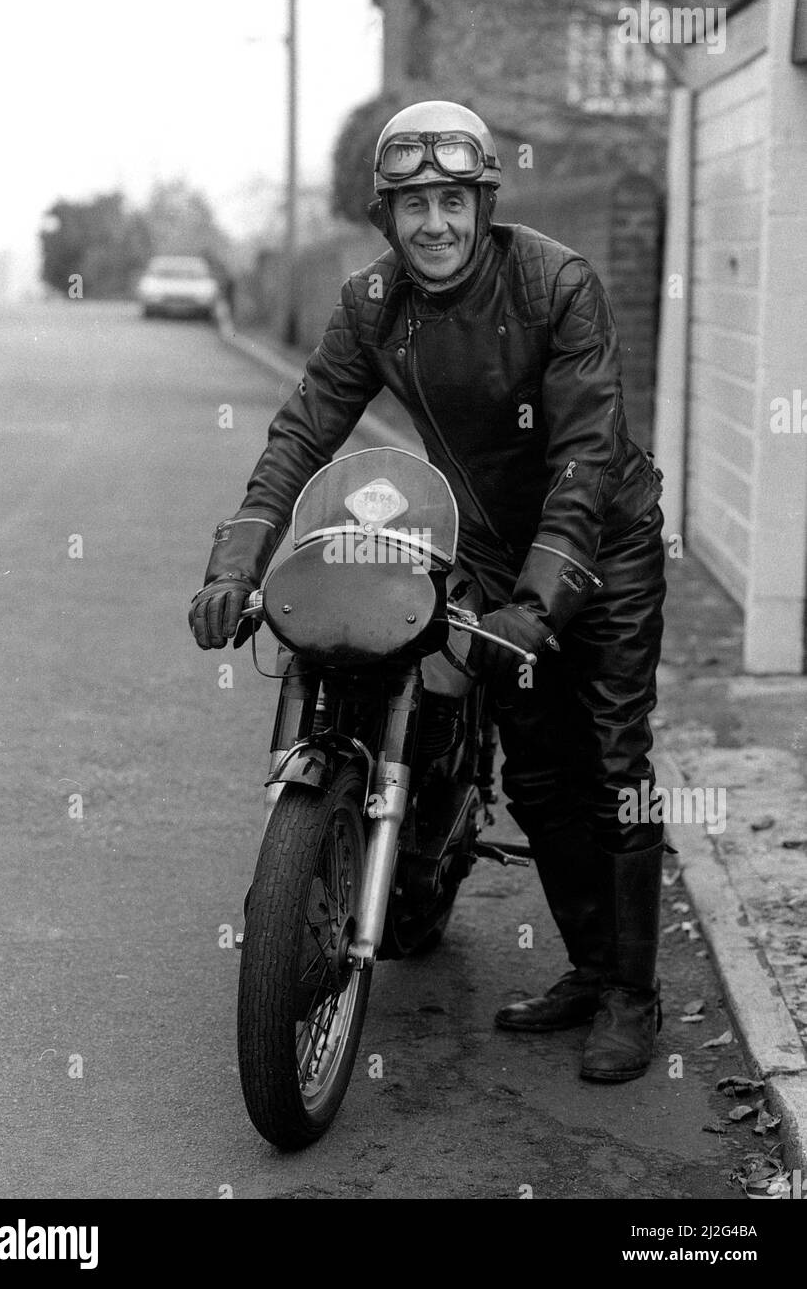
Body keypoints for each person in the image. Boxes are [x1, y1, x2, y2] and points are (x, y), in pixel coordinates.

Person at [189, 100, 667, 1083]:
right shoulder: (371, 304)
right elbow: (301, 431)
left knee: (609, 762)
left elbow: (582, 459)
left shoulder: (554, 284)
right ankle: (587, 969)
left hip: (601, 550)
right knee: (534, 776)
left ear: (481, 204)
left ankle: (634, 994)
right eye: (412, 205)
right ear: (385, 216)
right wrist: (234, 561)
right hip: (493, 554)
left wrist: (535, 609)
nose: (434, 223)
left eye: (453, 200)